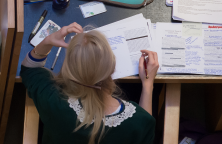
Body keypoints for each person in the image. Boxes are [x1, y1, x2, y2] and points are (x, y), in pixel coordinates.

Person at [21, 22, 159, 144]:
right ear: (112, 67)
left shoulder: (54, 102)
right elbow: (144, 124)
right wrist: (148, 86)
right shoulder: (139, 122)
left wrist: (48, 41)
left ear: (70, 70)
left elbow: (29, 69)